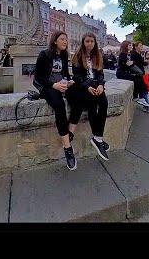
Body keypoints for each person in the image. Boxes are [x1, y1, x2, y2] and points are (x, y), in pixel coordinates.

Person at [32, 30, 79, 170]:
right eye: (63, 39)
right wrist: (54, 85)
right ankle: (67, 148)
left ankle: (68, 134)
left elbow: (64, 73)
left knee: (79, 98)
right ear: (55, 41)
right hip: (48, 87)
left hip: (62, 85)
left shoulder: (64, 55)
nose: (65, 42)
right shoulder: (44, 55)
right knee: (59, 105)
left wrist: (68, 81)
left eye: (66, 39)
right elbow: (38, 78)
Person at [70, 33, 110, 161]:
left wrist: (101, 85)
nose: (89, 44)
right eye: (87, 41)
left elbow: (100, 74)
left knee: (104, 103)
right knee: (92, 104)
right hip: (83, 86)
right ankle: (98, 139)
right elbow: (76, 76)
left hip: (95, 85)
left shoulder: (97, 55)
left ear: (95, 43)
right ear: (83, 42)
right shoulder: (78, 55)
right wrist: (87, 86)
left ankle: (98, 137)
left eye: (92, 41)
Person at [129, 41, 149, 115]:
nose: (141, 47)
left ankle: (145, 106)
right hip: (139, 75)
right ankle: (147, 107)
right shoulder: (134, 54)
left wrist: (147, 61)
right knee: (144, 90)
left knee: (144, 90)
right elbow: (135, 65)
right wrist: (146, 62)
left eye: (142, 46)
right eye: (140, 46)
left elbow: (141, 63)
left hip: (141, 74)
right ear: (136, 46)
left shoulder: (138, 54)